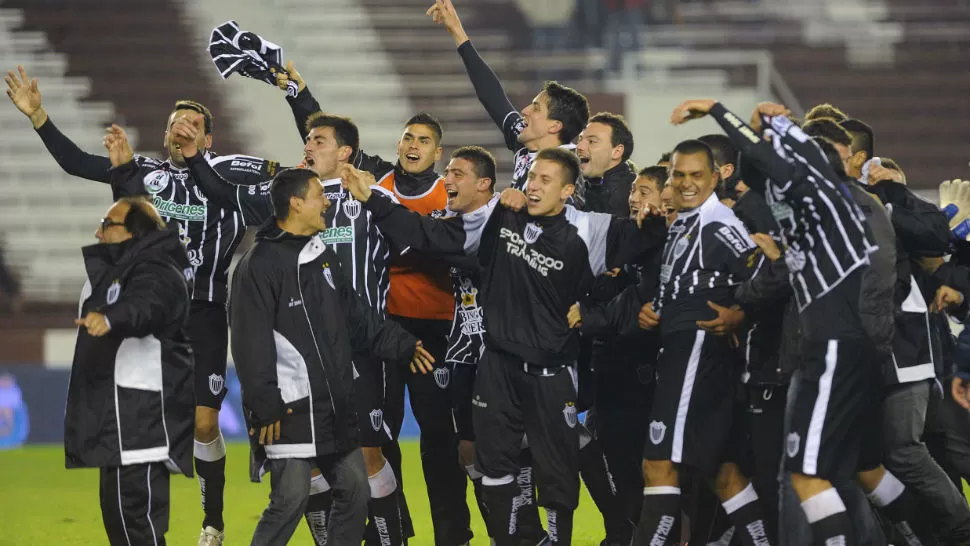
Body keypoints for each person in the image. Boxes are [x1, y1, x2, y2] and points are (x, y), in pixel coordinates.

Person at [5, 64, 281, 546]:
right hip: (151, 315)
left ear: (209, 138)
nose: (184, 125)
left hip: (207, 310)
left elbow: (283, 187)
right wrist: (39, 116)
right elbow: (77, 163)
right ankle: (142, 514)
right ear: (165, 132)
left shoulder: (231, 177)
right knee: (146, 420)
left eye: (195, 121)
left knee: (204, 422)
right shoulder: (146, 174)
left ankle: (212, 519)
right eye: (177, 120)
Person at [340, 147, 664, 545]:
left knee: (557, 476)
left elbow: (647, 258)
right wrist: (374, 200)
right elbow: (430, 234)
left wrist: (652, 230)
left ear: (566, 191)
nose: (534, 186)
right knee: (491, 466)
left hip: (552, 370)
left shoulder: (591, 228)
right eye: (531, 178)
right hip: (496, 367)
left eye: (546, 180)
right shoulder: (499, 217)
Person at [676, 98, 925, 546]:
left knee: (807, 476)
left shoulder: (823, 199)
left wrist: (725, 113)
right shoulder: (844, 206)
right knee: (852, 471)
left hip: (832, 350)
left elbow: (771, 156)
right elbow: (768, 159)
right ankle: (918, 536)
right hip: (848, 349)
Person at [167, 110, 408, 545]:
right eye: (308, 139)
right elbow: (223, 193)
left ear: (345, 152)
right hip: (308, 356)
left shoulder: (374, 195)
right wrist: (196, 158)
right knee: (315, 473)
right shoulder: (285, 205)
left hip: (365, 347)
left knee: (367, 459)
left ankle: (392, 538)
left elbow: (415, 237)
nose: (307, 145)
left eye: (318, 140)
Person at [276, 64, 473, 544]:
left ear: (437, 152)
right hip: (366, 332)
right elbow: (328, 140)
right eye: (408, 136)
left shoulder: (413, 192)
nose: (413, 145)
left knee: (434, 443)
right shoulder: (357, 187)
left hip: (421, 334)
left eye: (423, 140)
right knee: (361, 447)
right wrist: (296, 91)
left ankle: (449, 535)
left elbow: (337, 145)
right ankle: (391, 531)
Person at [229, 167, 435, 545]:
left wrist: (401, 344)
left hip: (335, 404)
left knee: (356, 489)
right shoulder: (259, 264)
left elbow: (356, 317)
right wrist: (264, 404)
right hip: (290, 407)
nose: (326, 202)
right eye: (317, 196)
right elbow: (249, 342)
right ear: (295, 204)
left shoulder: (321, 253)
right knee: (289, 500)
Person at [634, 139, 771, 546]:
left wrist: (740, 316)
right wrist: (657, 308)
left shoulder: (718, 223)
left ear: (716, 178)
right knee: (722, 471)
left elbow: (763, 273)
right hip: (688, 350)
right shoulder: (685, 222)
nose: (687, 183)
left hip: (696, 351)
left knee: (658, 465)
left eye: (697, 175)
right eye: (679, 175)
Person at [66, 195, 194, 546]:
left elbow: (146, 306)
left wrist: (111, 318)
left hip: (138, 422)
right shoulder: (122, 270)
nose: (98, 232)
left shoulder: (157, 272)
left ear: (134, 234)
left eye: (107, 225)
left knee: (136, 527)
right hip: (118, 422)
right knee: (123, 525)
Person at [427, 0, 591, 200]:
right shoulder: (525, 140)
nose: (525, 110)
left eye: (536, 108)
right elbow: (492, 96)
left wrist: (525, 205)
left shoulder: (576, 168)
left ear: (555, 126)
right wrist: (456, 31)